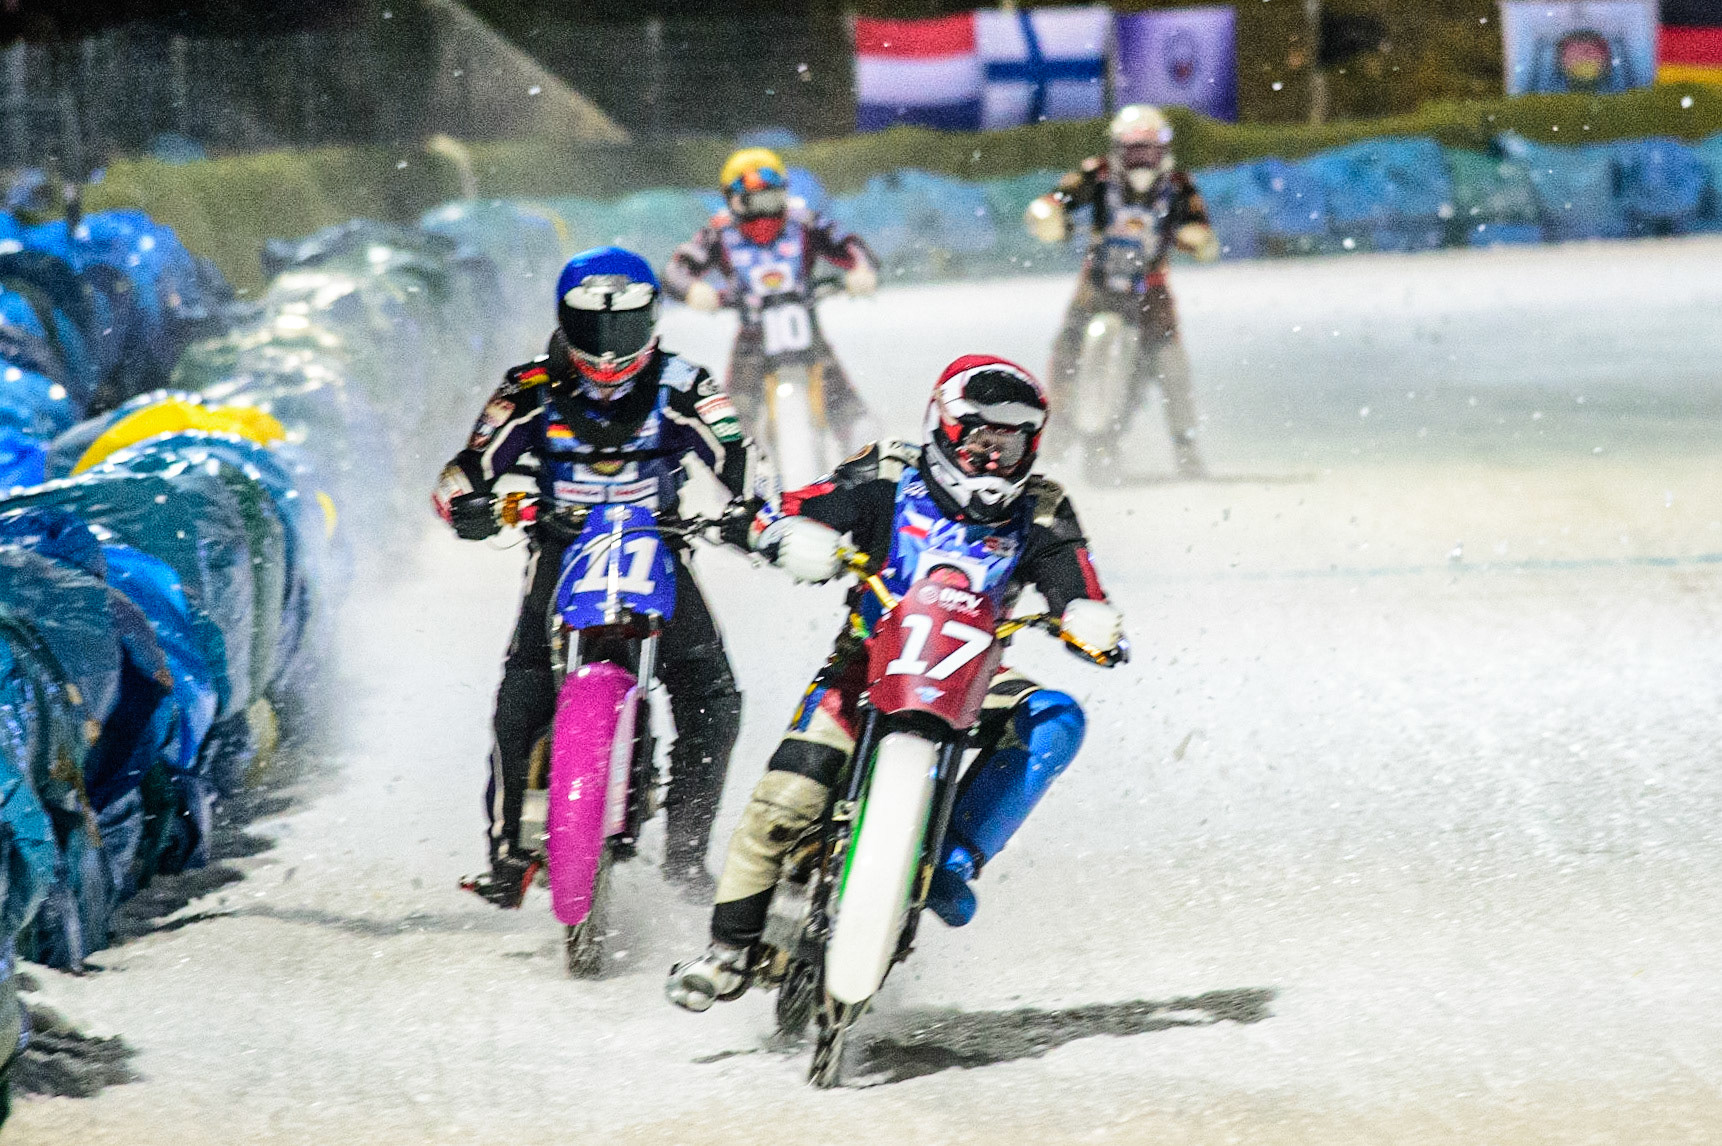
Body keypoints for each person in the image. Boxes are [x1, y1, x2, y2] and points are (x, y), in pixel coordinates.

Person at [666, 355, 1128, 1010]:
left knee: (1056, 720)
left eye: (1011, 441)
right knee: (781, 803)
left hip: (976, 670)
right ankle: (727, 951)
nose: (994, 456)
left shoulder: (1042, 506)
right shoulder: (889, 471)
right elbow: (807, 507)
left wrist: (1086, 612)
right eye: (980, 437)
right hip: (864, 665)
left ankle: (954, 861)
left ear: (1033, 442)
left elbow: (1069, 573)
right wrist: (780, 532)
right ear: (945, 427)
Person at [433, 246, 775, 908]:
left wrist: (754, 512)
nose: (610, 349)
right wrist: (468, 508)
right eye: (595, 328)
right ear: (565, 321)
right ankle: (507, 853)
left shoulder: (687, 385)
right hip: (561, 553)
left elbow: (742, 455)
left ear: (652, 319)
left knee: (712, 695)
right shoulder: (526, 391)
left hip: (659, 550)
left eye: (626, 327)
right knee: (521, 693)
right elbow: (461, 473)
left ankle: (685, 856)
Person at [1025, 104, 1220, 479]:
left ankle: (1186, 446)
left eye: (1149, 151)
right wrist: (1050, 213)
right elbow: (1059, 197)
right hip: (1097, 284)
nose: (1141, 160)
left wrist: (1197, 238)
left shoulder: (1178, 186)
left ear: (1163, 152)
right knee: (1067, 351)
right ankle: (1060, 428)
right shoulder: (1097, 175)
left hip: (1151, 291)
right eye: (1133, 151)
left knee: (1171, 366)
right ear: (1118, 150)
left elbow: (1199, 225)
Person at [663, 147, 880, 454]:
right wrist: (693, 290)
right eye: (754, 202)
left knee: (850, 413)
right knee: (734, 424)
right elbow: (677, 270)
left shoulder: (803, 222)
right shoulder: (719, 232)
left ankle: (862, 471)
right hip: (752, 339)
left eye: (772, 200)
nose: (765, 213)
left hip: (807, 336)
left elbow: (850, 244)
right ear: (732, 200)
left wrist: (861, 270)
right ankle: (741, 486)